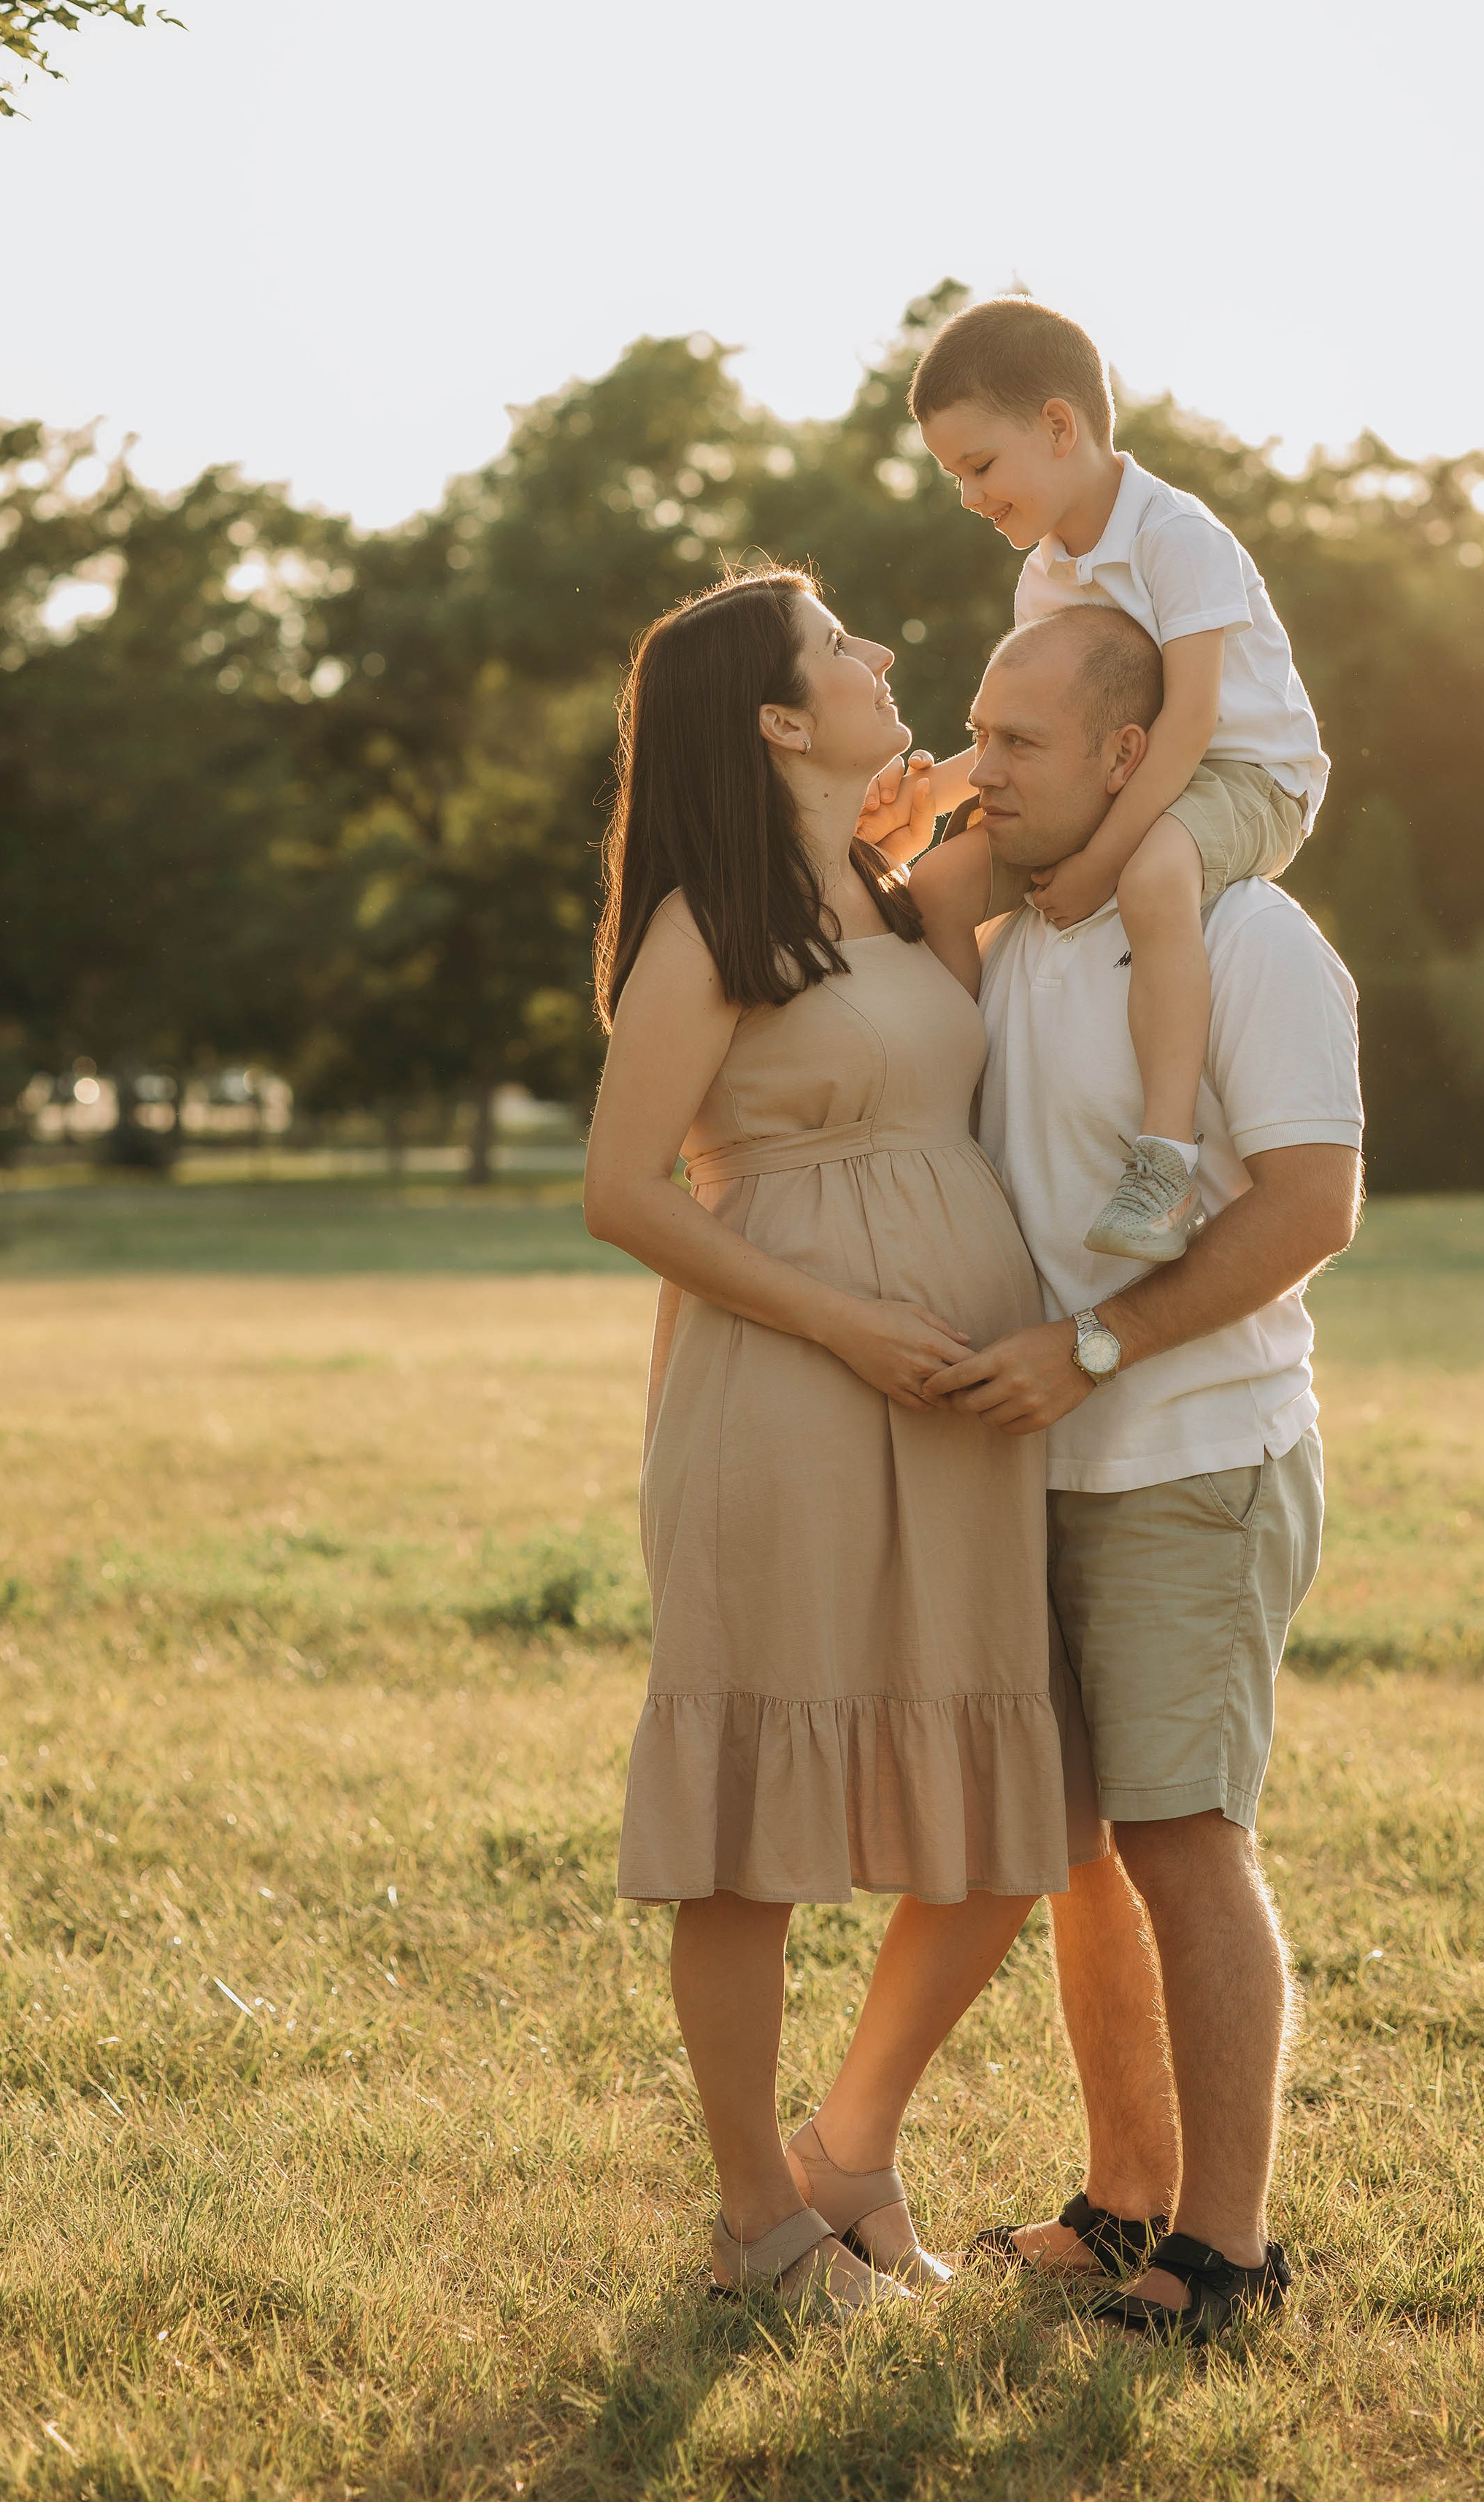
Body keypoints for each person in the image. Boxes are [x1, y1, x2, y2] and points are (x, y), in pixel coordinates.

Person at [583, 567, 1097, 2320]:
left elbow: (1102, 757)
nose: (883, 655)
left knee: (1018, 1813)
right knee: (754, 1824)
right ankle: (759, 2223)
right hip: (789, 1402)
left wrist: (935, 784)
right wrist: (843, 1322)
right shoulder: (704, 928)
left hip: (958, 1410)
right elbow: (617, 1191)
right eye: (839, 649)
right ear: (776, 722)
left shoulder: (904, 894)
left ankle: (849, 2155)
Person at [893, 602, 1361, 2349]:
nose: (978, 768)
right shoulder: (1012, 933)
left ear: (1123, 758)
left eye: (1014, 745)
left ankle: (1227, 2250)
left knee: (1179, 1838)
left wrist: (1091, 1347)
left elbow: (1309, 1209)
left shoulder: (1246, 935)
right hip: (1036, 1466)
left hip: (1190, 1450)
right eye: (969, 732)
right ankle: (1121, 2198)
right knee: (1080, 1849)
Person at [883, 296, 1329, 1272]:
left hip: (1243, 778)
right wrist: (927, 797)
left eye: (980, 466)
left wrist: (1096, 863)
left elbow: (1194, 724)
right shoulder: (1047, 574)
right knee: (943, 886)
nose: (969, 495)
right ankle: (956, 1138)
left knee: (1155, 876)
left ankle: (1162, 1163)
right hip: (1124, 774)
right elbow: (1035, 733)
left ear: (1058, 425)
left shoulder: (1180, 537)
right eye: (955, 475)